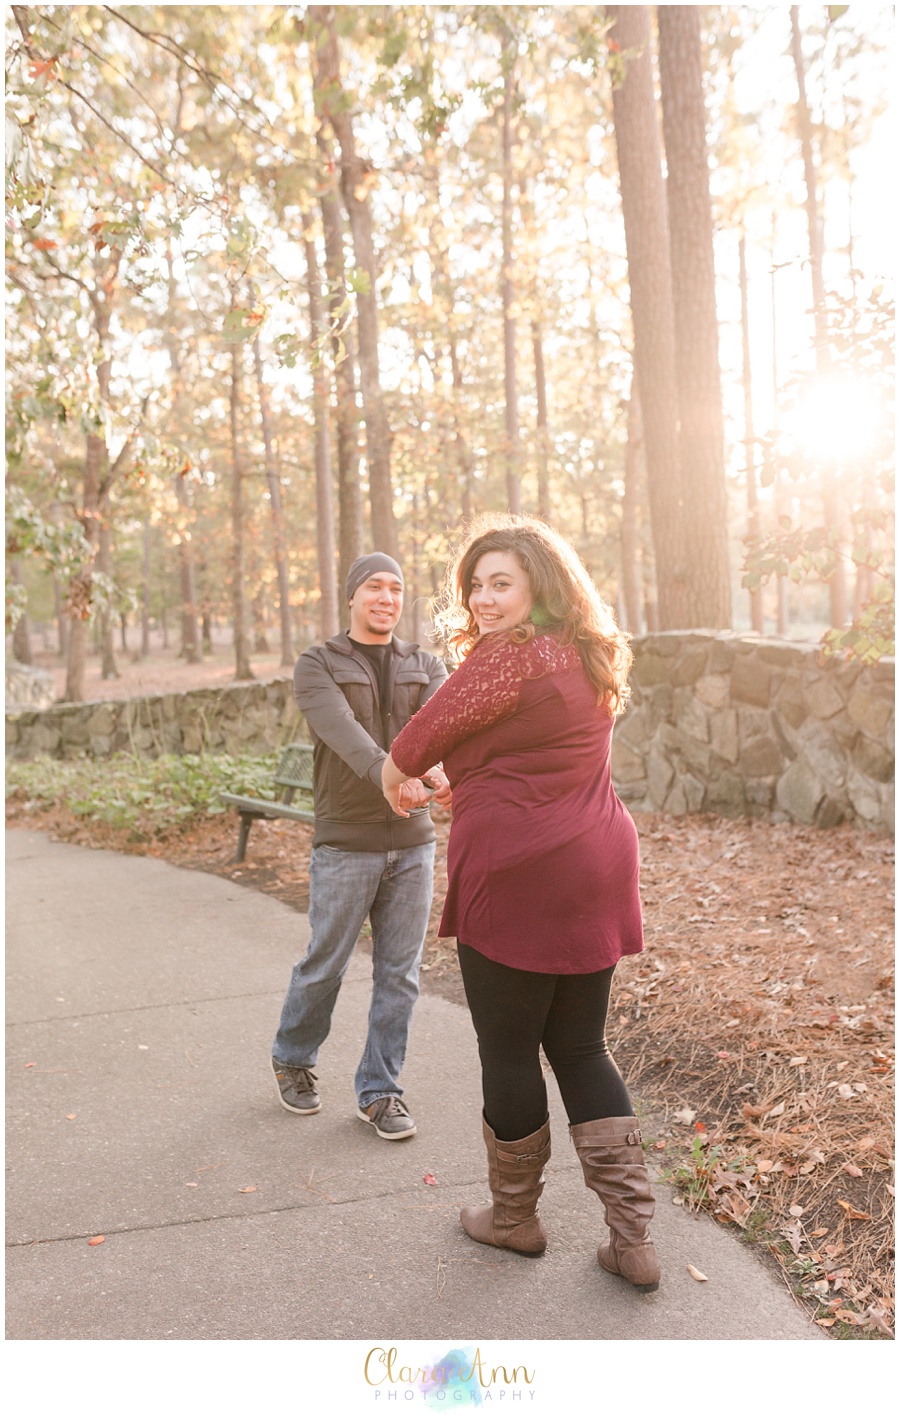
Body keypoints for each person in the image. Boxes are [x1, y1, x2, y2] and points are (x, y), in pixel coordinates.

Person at [381, 515, 660, 1290]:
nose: (482, 598)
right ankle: (633, 1239)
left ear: (541, 580)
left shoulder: (509, 655)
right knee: (579, 1046)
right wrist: (451, 777)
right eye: (474, 584)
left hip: (518, 870)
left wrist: (398, 778)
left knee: (509, 1050)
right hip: (596, 858)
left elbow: (410, 746)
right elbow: (526, 750)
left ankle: (514, 1220)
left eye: (501, 581)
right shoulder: (587, 650)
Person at [271, 552, 450, 1142]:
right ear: (352, 596)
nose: (386, 598)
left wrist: (443, 771)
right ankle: (293, 1057)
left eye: (396, 589)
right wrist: (392, 774)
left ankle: (380, 1092)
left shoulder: (425, 664)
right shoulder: (317, 663)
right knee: (326, 962)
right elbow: (342, 731)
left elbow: (444, 728)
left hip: (413, 844)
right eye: (374, 586)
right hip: (347, 843)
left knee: (399, 975)